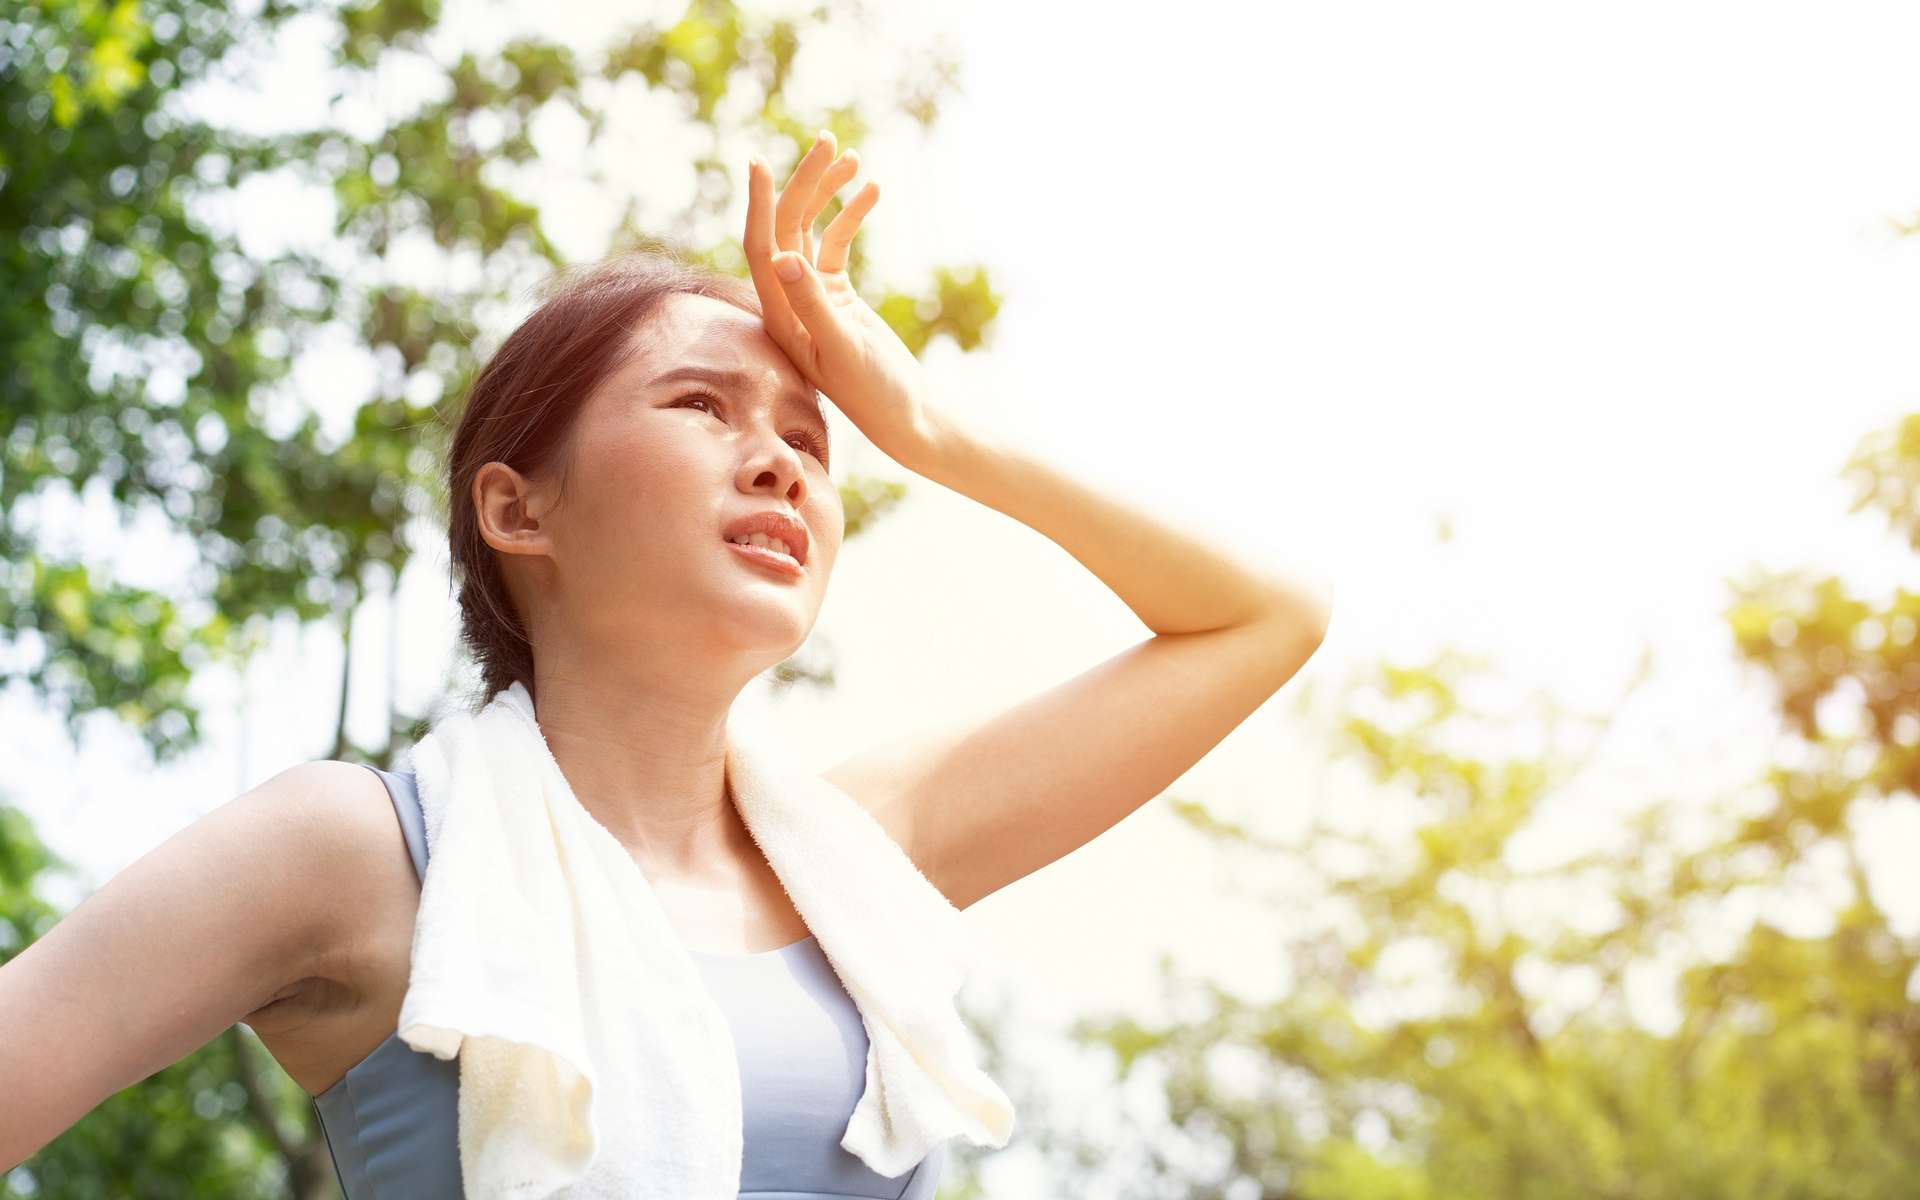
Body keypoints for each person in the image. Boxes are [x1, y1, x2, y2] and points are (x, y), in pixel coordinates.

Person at [0, 130, 1333, 1191]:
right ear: (520, 509)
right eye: (701, 405)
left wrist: (928, 428)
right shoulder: (359, 851)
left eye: (811, 441)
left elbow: (1264, 617)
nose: (779, 460)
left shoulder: (868, 851)